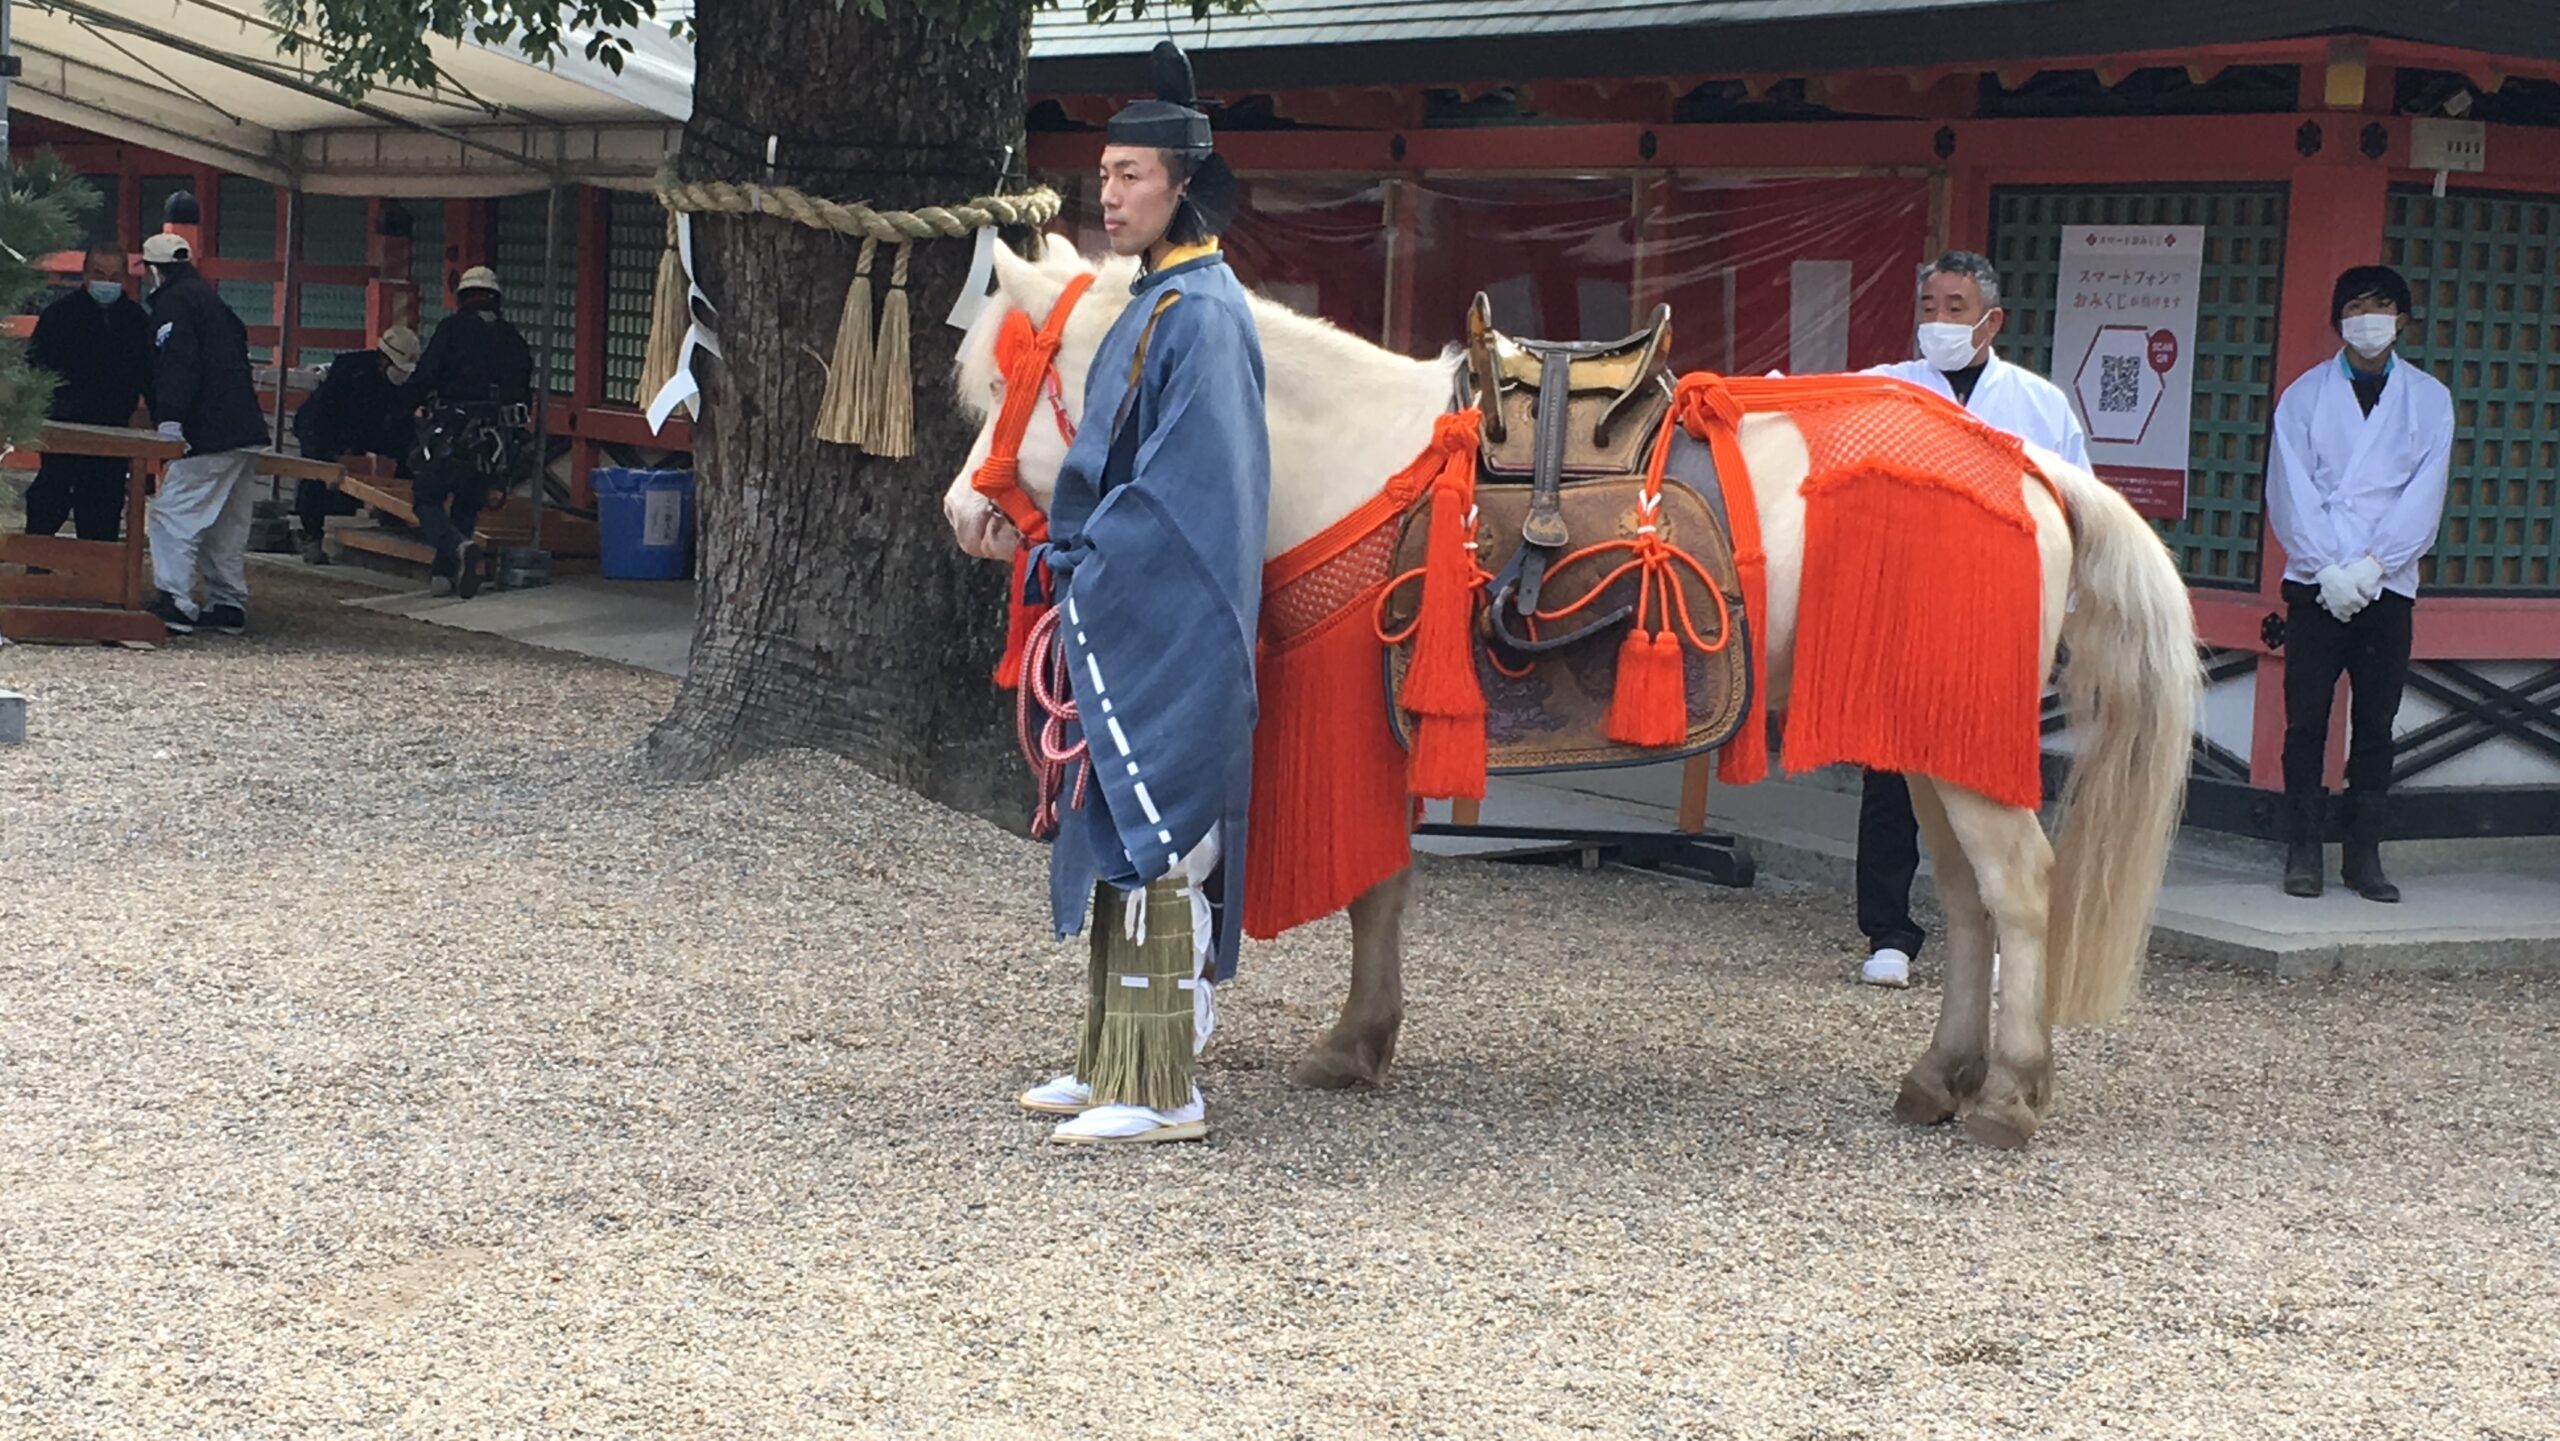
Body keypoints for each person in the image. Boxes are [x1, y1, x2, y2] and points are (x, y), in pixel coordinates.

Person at [1009, 40, 1269, 1144]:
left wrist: (1093, 553)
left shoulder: (1205, 315)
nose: (1104, 193)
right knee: (1112, 817)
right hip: (1119, 592)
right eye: (1103, 173)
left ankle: (1166, 1088)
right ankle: (1109, 1057)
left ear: (1182, 184)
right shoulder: (1157, 299)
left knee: (1163, 830)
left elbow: (1188, 491)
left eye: (1128, 176)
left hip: (1171, 607)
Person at [1853, 251, 2091, 988]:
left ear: (1993, 320)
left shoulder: (2040, 404)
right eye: (1929, 305)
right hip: (1904, 602)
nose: (1938, 321)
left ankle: (1995, 931)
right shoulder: (1884, 389)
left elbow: (2075, 509)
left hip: (2000, 607)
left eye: (1955, 307)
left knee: (1988, 777)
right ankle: (1888, 930)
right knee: (1891, 773)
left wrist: (2066, 618)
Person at [2265, 265, 2452, 904]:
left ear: (2401, 319)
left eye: (2380, 307)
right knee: (2306, 723)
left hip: (2387, 585)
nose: (2367, 319)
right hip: (2316, 583)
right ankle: (2303, 850)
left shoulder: (2429, 399)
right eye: (2355, 307)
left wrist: (2373, 567)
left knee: (2376, 723)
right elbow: (2289, 489)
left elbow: (2423, 495)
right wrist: (2327, 570)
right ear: (2338, 319)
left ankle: (2363, 855)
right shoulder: (2304, 395)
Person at [139, 232, 269, 637]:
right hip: (243, 424)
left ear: (152, 269)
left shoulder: (173, 303)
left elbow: (178, 360)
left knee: (172, 515)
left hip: (207, 428)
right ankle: (227, 603)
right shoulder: (212, 301)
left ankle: (175, 600)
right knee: (226, 522)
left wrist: (171, 417)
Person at [397, 267, 532, 599]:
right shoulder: (513, 339)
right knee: (468, 504)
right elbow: (523, 393)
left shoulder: (452, 329)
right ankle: (446, 574)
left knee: (426, 498)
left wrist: (402, 407)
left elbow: (427, 375)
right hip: (494, 440)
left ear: (462, 298)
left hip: (453, 429)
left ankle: (457, 549)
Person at [23, 243, 154, 542]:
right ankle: (36, 563)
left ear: (124, 278)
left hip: (114, 428)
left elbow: (150, 375)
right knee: (50, 494)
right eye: (99, 273)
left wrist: (162, 417)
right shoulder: (59, 316)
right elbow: (36, 367)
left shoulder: (136, 320)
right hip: (64, 424)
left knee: (104, 500)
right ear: (85, 275)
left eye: (114, 275)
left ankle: (97, 576)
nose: (106, 282)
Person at [290, 325, 420, 563]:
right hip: (322, 426)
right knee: (316, 473)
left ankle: (395, 512)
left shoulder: (403, 385)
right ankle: (311, 537)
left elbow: (403, 421)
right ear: (384, 359)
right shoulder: (350, 370)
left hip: (366, 429)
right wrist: (336, 452)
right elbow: (324, 413)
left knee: (410, 450)